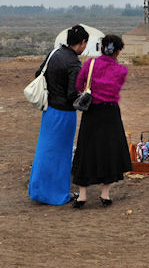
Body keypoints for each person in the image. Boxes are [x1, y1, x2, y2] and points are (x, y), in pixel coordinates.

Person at [29, 24, 89, 205]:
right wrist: (85, 95)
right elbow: (72, 94)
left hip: (49, 111)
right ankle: (58, 194)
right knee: (61, 155)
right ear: (82, 43)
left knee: (45, 150)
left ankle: (38, 190)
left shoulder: (54, 53)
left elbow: (39, 73)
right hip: (64, 115)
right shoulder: (73, 63)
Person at [71, 34, 132, 208]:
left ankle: (82, 195)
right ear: (117, 51)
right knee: (110, 151)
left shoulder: (90, 64)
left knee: (86, 150)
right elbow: (116, 87)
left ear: (102, 48)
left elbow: (78, 85)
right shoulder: (121, 70)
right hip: (111, 113)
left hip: (92, 112)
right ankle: (105, 194)